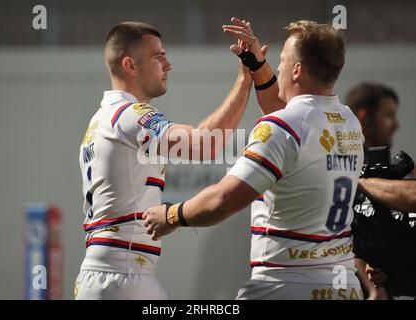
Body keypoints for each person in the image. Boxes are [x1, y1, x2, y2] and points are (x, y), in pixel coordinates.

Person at [143, 19, 365, 299]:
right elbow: (293, 115)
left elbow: (223, 200)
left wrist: (171, 216)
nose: (279, 66)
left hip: (285, 285)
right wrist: (258, 67)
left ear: (297, 70)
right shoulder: (348, 121)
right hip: (344, 287)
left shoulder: (282, 128)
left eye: (282, 60)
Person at [74, 21, 259, 299]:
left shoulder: (102, 117)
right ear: (130, 66)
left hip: (105, 273)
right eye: (159, 57)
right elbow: (204, 144)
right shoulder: (130, 114)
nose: (168, 65)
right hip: (124, 276)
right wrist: (245, 80)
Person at [346, 82, 416, 299]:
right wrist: (375, 289)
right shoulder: (342, 170)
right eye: (389, 116)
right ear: (365, 117)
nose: (395, 124)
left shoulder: (396, 173)